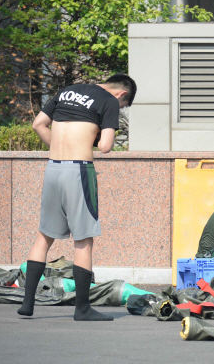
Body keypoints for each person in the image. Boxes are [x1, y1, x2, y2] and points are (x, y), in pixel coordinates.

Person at [18, 74, 137, 321]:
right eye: (123, 106)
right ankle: (82, 308)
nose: (120, 108)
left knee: (44, 236)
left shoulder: (67, 91)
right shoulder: (109, 101)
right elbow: (105, 146)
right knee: (83, 239)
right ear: (121, 94)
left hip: (53, 169)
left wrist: (59, 150)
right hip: (79, 171)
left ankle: (27, 304)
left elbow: (38, 124)